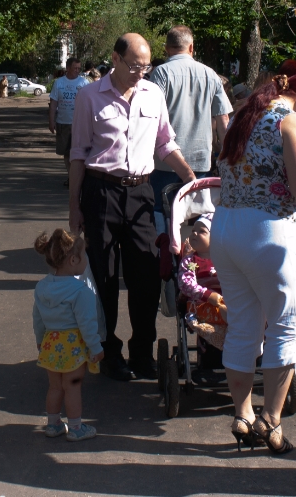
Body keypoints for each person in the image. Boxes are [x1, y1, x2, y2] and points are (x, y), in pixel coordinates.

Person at [211, 72, 296, 454]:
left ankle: (243, 414)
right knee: (287, 327)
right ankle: (271, 420)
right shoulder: (290, 119)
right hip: (267, 230)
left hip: (226, 225)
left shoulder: (244, 115)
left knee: (243, 327)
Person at [69, 33, 196, 382]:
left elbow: (165, 142)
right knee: (105, 277)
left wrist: (189, 176)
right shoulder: (88, 96)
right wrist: (74, 207)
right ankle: (110, 351)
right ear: (116, 58)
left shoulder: (153, 94)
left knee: (146, 275)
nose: (142, 72)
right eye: (135, 65)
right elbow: (78, 152)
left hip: (140, 195)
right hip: (101, 192)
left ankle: (142, 351)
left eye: (147, 66)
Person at [149, 25, 232, 230]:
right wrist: (228, 156)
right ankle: (197, 259)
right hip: (200, 159)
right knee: (201, 217)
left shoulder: (160, 73)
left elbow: (152, 116)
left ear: (166, 49)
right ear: (191, 47)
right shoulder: (210, 74)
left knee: (162, 211)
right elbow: (223, 121)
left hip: (165, 161)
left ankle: (166, 257)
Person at [33, 229, 104, 442]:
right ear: (73, 260)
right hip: (73, 346)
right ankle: (75, 427)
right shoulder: (80, 290)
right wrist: (96, 347)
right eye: (84, 255)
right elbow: (87, 323)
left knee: (55, 386)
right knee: (72, 386)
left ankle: (53, 424)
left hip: (50, 343)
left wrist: (40, 340)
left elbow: (37, 317)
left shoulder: (42, 286)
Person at [178, 213, 227, 349]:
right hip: (202, 304)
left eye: (202, 231)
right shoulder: (190, 260)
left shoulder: (225, 259)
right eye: (193, 230)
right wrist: (207, 295)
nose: (194, 233)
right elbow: (186, 283)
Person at [49, 57, 90, 185]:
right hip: (63, 123)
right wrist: (51, 120)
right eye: (75, 68)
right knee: (66, 153)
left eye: (79, 68)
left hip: (79, 123)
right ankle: (71, 177)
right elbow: (53, 103)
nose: (77, 71)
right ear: (67, 68)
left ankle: (76, 178)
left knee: (78, 153)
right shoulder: (59, 83)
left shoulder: (84, 83)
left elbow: (89, 103)